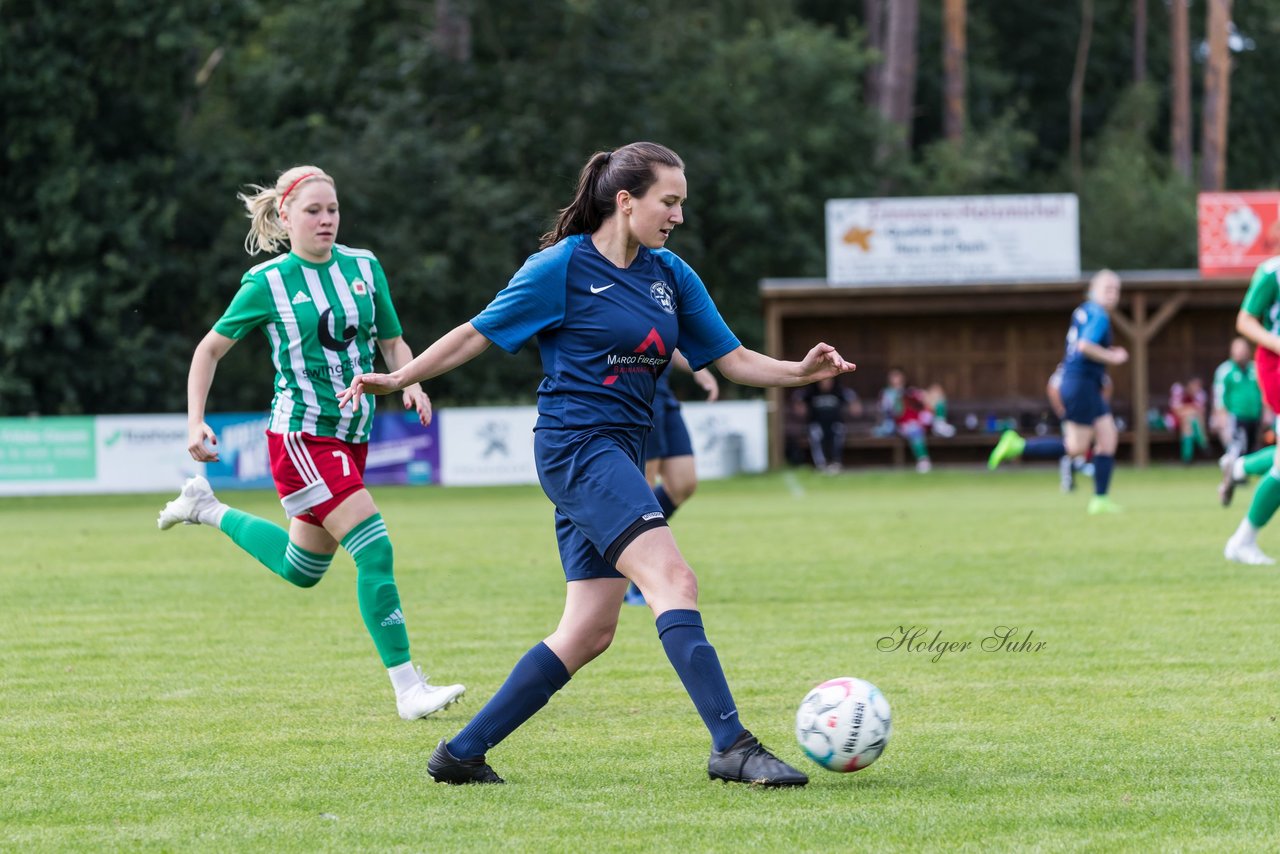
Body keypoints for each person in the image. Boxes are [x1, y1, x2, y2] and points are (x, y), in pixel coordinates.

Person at [339, 142, 856, 786]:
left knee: (588, 631)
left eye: (681, 204)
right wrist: (401, 377)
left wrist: (800, 372)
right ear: (625, 200)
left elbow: (731, 358)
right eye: (668, 202)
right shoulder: (560, 267)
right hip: (576, 447)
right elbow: (476, 332)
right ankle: (733, 745)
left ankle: (461, 753)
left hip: (619, 451)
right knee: (675, 580)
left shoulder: (671, 275)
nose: (678, 216)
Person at [156, 165, 465, 720]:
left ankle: (205, 508)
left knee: (302, 569)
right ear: (284, 217)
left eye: (333, 209)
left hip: (352, 436)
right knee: (374, 546)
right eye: (313, 211)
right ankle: (407, 689)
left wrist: (411, 379)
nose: (326, 220)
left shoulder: (364, 266)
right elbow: (208, 351)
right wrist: (194, 421)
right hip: (302, 435)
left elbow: (391, 341)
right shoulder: (267, 283)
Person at [993, 271, 1127, 512]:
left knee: (1108, 437)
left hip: (1086, 383)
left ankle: (1100, 500)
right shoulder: (1098, 314)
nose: (1112, 293)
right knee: (1076, 447)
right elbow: (1085, 346)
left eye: (1116, 289)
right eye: (1107, 288)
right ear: (1092, 289)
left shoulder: (1085, 310)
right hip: (1080, 383)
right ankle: (1017, 445)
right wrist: (1113, 356)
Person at [624, 349, 718, 606]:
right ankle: (639, 582)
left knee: (683, 482)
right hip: (638, 395)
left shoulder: (667, 306)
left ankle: (618, 544)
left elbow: (669, 342)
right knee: (645, 486)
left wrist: (699, 369)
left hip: (664, 396)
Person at [1224, 254, 1280, 563]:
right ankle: (1242, 542)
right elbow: (1245, 320)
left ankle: (1239, 468)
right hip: (1276, 364)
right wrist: (1275, 342)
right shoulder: (1273, 273)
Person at [1213, 337, 1264, 505]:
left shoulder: (1254, 369)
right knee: (1237, 447)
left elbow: (1263, 391)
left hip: (1254, 416)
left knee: (1248, 451)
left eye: (1243, 349)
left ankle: (1235, 476)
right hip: (1236, 416)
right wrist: (1221, 417)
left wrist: (1267, 412)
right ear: (1232, 351)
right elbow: (1219, 396)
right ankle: (1226, 481)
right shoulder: (1225, 370)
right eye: (1238, 349)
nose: (1241, 353)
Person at [794, 375, 861, 473]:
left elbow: (853, 402)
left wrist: (854, 405)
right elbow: (798, 397)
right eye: (823, 381)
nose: (826, 383)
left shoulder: (838, 390)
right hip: (817, 424)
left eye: (828, 381)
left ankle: (836, 462)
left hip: (835, 423)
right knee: (815, 433)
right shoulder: (812, 391)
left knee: (838, 431)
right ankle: (821, 464)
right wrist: (800, 406)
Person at [880, 368, 933, 472]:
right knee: (913, 429)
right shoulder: (886, 394)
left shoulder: (911, 391)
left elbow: (922, 404)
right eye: (893, 376)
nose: (896, 379)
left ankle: (923, 459)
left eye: (898, 376)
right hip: (894, 425)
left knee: (915, 428)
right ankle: (923, 459)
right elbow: (892, 412)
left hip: (915, 423)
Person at [1168, 377, 1209, 464]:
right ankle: (1202, 442)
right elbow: (1177, 411)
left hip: (1191, 422)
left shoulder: (1200, 394)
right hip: (1174, 421)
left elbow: (1201, 412)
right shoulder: (1179, 390)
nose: (1196, 388)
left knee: (1189, 422)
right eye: (1194, 385)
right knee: (1189, 419)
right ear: (1189, 385)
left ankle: (1187, 457)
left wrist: (1188, 410)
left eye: (1198, 386)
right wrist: (1191, 410)